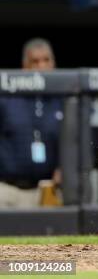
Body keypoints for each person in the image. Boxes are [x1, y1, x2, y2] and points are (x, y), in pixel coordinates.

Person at [0, 39, 63, 208]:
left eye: (46, 60)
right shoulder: (7, 97)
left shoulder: (64, 99)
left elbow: (76, 141)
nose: (41, 66)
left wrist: (64, 168)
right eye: (35, 61)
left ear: (53, 64)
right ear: (24, 67)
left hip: (48, 189)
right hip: (8, 189)